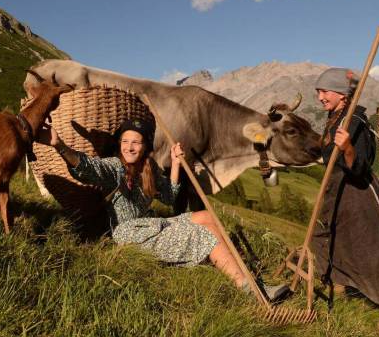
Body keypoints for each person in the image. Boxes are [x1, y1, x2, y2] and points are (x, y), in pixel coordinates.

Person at [37, 118, 252, 290]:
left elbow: (169, 196)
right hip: (130, 234)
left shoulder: (150, 169)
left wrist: (175, 163)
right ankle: (243, 284)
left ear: (145, 146)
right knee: (201, 233)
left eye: (136, 142)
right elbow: (89, 167)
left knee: (206, 217)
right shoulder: (115, 167)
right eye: (125, 141)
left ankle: (240, 268)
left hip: (151, 225)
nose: (129, 147)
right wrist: (60, 145)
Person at [311, 67, 379, 336]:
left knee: (371, 251)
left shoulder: (356, 122)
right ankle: (340, 290)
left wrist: (349, 148)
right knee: (326, 239)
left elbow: (361, 166)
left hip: (357, 193)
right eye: (318, 91)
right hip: (336, 191)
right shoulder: (334, 117)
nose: (320, 97)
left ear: (342, 94)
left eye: (324, 91)